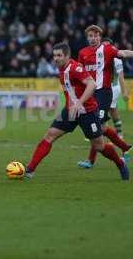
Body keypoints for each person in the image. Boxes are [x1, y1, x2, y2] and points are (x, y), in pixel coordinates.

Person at [24, 42, 129, 180]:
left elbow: (92, 84)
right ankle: (29, 170)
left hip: (88, 112)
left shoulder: (75, 68)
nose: (56, 58)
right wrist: (73, 105)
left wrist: (79, 103)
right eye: (54, 55)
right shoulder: (62, 69)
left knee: (99, 146)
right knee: (50, 135)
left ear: (67, 56)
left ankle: (120, 163)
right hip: (70, 111)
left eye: (59, 55)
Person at [76, 25, 132, 169]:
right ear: (87, 38)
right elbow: (80, 75)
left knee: (96, 127)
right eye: (90, 36)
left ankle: (90, 161)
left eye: (96, 36)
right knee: (102, 127)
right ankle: (126, 148)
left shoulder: (107, 49)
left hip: (104, 93)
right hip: (91, 94)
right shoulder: (83, 53)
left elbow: (123, 53)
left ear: (100, 37)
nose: (93, 38)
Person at [104, 39, 129, 138]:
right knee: (112, 109)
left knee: (102, 109)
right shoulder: (99, 57)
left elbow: (121, 76)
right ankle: (119, 133)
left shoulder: (116, 59)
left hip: (113, 88)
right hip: (104, 88)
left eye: (107, 45)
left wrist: (124, 92)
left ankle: (101, 133)